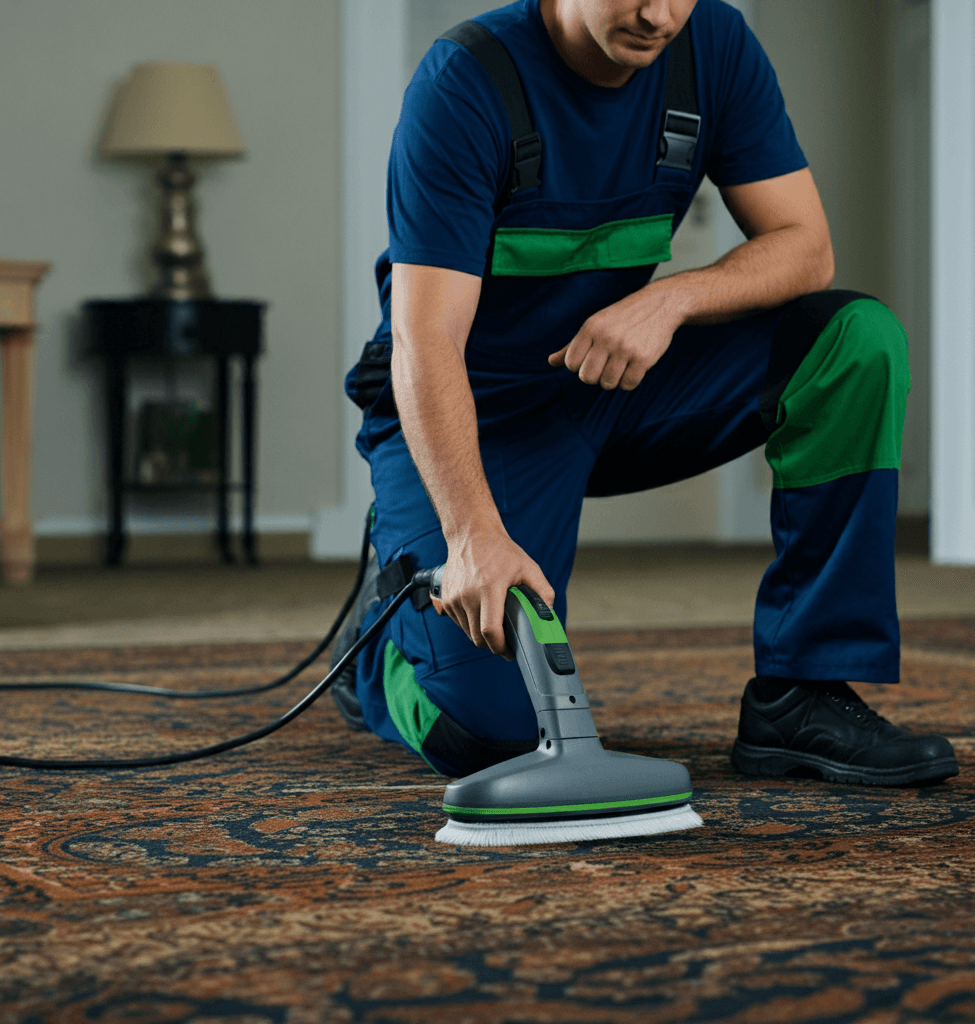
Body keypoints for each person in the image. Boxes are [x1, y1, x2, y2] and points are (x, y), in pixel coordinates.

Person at [332, 0, 958, 786]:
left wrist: (672, 299)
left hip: (611, 383)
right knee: (486, 735)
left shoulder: (714, 47)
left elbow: (806, 247)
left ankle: (801, 691)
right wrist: (469, 536)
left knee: (854, 342)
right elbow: (428, 344)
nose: (658, 13)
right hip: (475, 411)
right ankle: (379, 647)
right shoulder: (467, 82)